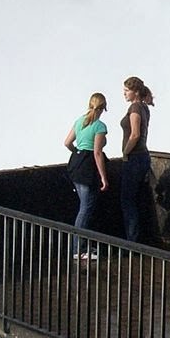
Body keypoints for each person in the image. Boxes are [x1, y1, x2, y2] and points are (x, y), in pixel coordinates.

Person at [63, 92, 109, 256]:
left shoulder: (79, 121)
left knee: (84, 206)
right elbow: (97, 153)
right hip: (89, 168)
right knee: (85, 209)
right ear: (103, 108)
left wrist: (77, 151)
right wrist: (104, 177)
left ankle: (80, 245)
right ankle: (77, 249)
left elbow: (67, 142)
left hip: (76, 164)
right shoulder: (99, 126)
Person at [119, 76, 154, 242]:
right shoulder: (144, 107)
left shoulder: (135, 108)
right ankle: (136, 238)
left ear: (136, 92)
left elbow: (134, 134)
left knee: (128, 200)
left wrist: (125, 153)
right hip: (143, 157)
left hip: (134, 158)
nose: (124, 94)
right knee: (136, 198)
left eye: (127, 91)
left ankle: (131, 241)